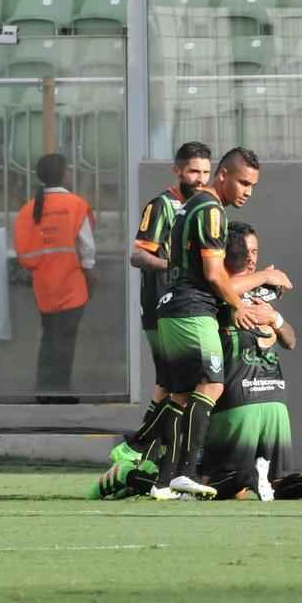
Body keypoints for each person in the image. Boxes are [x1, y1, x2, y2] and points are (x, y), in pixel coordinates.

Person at [90, 223, 302, 502]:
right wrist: (267, 286)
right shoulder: (258, 288)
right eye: (246, 251)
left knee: (204, 485)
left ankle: (131, 477)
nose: (251, 258)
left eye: (255, 251)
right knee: (274, 484)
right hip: (274, 397)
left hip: (239, 400)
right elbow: (288, 339)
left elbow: (286, 337)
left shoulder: (216, 291)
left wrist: (274, 318)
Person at [151, 147, 288, 499]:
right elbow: (214, 274)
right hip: (193, 309)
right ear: (223, 175)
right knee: (211, 386)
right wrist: (237, 305)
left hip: (171, 307)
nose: (248, 191)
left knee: (180, 395)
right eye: (243, 183)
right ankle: (184, 472)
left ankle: (161, 477)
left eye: (253, 185)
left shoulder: (191, 205)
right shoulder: (212, 210)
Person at [125, 141, 213, 460]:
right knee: (174, 383)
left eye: (205, 172)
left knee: (179, 383)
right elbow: (138, 255)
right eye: (193, 171)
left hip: (190, 306)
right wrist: (175, 266)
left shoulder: (205, 206)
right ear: (177, 171)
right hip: (161, 306)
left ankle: (149, 452)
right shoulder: (163, 205)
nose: (200, 179)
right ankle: (142, 449)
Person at [13, 153, 95, 392]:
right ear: (64, 174)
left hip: (44, 286)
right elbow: (87, 248)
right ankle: (60, 389)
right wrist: (90, 274)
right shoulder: (76, 205)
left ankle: (44, 387)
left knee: (49, 337)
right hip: (72, 285)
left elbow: (24, 250)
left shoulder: (29, 209)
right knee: (66, 340)